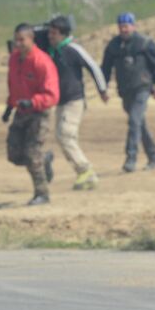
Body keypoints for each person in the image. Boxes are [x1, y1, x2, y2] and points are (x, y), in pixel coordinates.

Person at [42, 14, 107, 191]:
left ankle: (86, 170)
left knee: (65, 135)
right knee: (64, 137)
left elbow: (93, 67)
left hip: (74, 100)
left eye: (53, 33)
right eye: (49, 33)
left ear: (63, 34)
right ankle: (83, 174)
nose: (50, 36)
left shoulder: (73, 49)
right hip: (60, 101)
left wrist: (102, 90)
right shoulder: (51, 51)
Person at [101, 12, 155, 173]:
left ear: (133, 26)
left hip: (143, 88)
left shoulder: (144, 43)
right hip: (125, 91)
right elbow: (106, 68)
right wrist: (103, 88)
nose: (124, 29)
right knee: (139, 124)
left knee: (134, 122)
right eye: (121, 26)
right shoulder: (113, 46)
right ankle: (154, 157)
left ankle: (131, 158)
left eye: (127, 26)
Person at [4, 23, 58, 206]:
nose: (18, 44)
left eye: (22, 40)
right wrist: (9, 106)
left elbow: (52, 95)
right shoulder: (14, 59)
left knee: (32, 153)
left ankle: (42, 194)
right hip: (21, 111)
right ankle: (45, 160)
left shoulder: (42, 61)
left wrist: (34, 101)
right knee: (14, 154)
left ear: (31, 39)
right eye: (16, 40)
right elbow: (14, 84)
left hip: (39, 113)